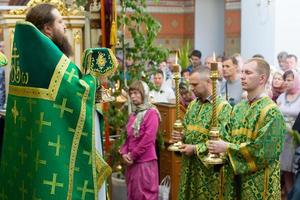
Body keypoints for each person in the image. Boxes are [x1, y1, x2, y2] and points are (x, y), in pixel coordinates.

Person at [0, 4, 117, 199]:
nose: (64, 27)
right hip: (50, 161)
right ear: (47, 28)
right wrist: (94, 76)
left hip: (33, 154)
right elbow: (79, 92)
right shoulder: (50, 60)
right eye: (60, 22)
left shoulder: (27, 57)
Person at [208, 58, 286, 200]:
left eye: (248, 73)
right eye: (242, 72)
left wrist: (227, 148)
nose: (242, 76)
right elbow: (226, 135)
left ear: (262, 78)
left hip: (260, 183)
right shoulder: (238, 108)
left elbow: (263, 152)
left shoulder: (272, 112)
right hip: (235, 180)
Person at [173, 67, 234, 200]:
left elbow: (222, 140)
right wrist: (181, 136)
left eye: (195, 84)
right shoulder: (193, 105)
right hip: (190, 166)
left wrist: (195, 149)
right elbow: (187, 129)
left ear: (208, 81)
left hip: (208, 172)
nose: (191, 88)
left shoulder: (223, 107)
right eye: (190, 84)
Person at [120, 80, 160, 200]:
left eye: (136, 93)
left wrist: (132, 156)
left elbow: (148, 139)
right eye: (131, 93)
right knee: (132, 194)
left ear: (144, 94)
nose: (132, 96)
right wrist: (123, 153)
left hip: (145, 163)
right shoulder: (133, 114)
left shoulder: (152, 113)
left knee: (145, 195)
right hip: (132, 164)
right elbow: (128, 137)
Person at [277, 70, 300, 196]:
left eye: (290, 80)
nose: (286, 82)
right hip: (282, 136)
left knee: (294, 168)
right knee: (285, 169)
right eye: (285, 79)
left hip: (295, 137)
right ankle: (289, 194)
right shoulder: (281, 96)